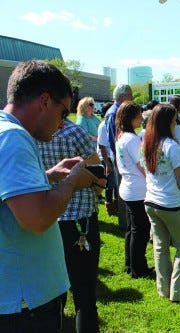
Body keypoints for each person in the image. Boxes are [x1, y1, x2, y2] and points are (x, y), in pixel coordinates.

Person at [0, 60, 102, 332]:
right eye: (62, 112)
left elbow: (10, 196)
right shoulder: (14, 138)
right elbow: (37, 219)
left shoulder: (4, 131)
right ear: (44, 101)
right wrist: (71, 182)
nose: (61, 124)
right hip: (26, 304)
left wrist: (49, 175)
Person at [37, 118, 103, 333]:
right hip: (78, 219)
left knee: (55, 292)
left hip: (47, 216)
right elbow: (98, 174)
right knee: (84, 294)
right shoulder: (76, 133)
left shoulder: (28, 133)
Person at [140, 104, 180, 302]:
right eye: (174, 121)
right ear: (167, 123)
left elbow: (147, 172)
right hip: (170, 203)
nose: (176, 124)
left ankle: (163, 289)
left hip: (151, 202)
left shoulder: (145, 143)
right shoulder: (172, 147)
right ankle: (178, 292)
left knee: (160, 247)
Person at [115, 101, 154, 279]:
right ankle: (138, 267)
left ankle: (130, 263)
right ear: (131, 118)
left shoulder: (123, 136)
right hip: (137, 189)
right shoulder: (131, 139)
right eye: (138, 115)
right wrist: (153, 179)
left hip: (128, 187)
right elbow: (142, 165)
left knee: (132, 228)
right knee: (141, 229)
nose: (141, 118)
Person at [105, 84, 133, 229]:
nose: (133, 99)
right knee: (122, 190)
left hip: (120, 158)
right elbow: (113, 140)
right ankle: (125, 223)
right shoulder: (114, 113)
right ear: (123, 97)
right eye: (131, 96)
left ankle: (127, 221)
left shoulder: (118, 111)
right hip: (119, 158)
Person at [97, 102, 119, 216]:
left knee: (115, 184)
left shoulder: (111, 123)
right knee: (109, 184)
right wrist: (107, 164)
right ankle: (109, 206)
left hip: (112, 157)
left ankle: (116, 205)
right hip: (106, 158)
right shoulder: (102, 125)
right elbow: (101, 145)